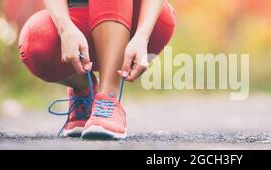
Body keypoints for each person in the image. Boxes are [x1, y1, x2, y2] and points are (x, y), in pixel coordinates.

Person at [18, 0, 176, 139]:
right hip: (78, 15)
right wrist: (64, 28)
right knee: (35, 39)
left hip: (140, 19)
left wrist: (142, 36)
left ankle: (108, 98)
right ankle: (85, 88)